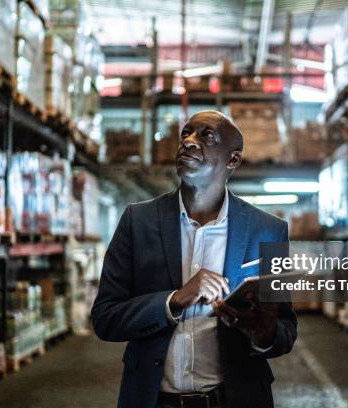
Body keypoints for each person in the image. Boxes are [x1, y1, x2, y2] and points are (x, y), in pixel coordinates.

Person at [91, 110, 297, 408]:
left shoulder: (268, 231)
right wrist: (174, 300)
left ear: (233, 160)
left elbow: (285, 330)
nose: (188, 141)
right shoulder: (138, 221)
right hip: (152, 400)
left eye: (206, 136)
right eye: (186, 133)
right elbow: (105, 318)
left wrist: (263, 334)